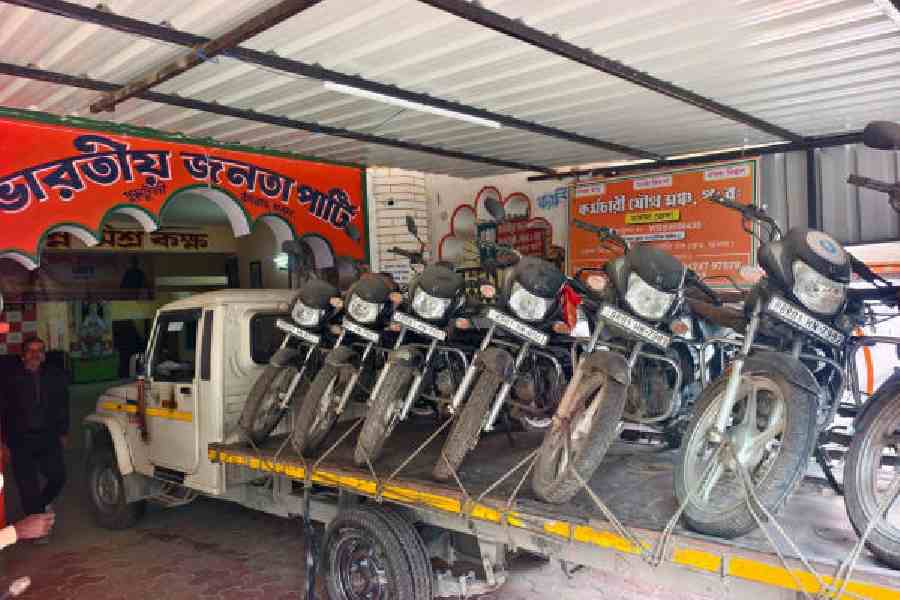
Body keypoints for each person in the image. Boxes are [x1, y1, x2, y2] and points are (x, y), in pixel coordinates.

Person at [2, 337, 69, 524]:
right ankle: (36, 521)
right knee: (27, 485)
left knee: (58, 476)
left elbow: (63, 405)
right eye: (30, 351)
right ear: (23, 356)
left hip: (47, 436)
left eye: (39, 350)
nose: (35, 355)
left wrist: (64, 432)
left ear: (44, 355)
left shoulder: (54, 376)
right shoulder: (10, 379)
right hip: (19, 439)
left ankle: (38, 505)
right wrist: (3, 442)